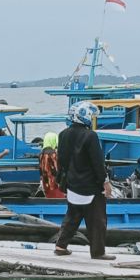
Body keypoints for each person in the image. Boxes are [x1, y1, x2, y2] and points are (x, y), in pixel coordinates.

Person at [54, 103, 114, 260]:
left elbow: (61, 160)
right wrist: (105, 182)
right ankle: (98, 252)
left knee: (72, 216)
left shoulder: (62, 134)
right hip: (90, 186)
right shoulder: (90, 136)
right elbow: (97, 162)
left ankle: (60, 246)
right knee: (98, 221)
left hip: (72, 184)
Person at [38, 132, 64, 198]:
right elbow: (56, 169)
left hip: (45, 181)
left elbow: (41, 169)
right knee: (58, 197)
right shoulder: (53, 154)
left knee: (49, 196)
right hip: (54, 182)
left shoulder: (41, 154)